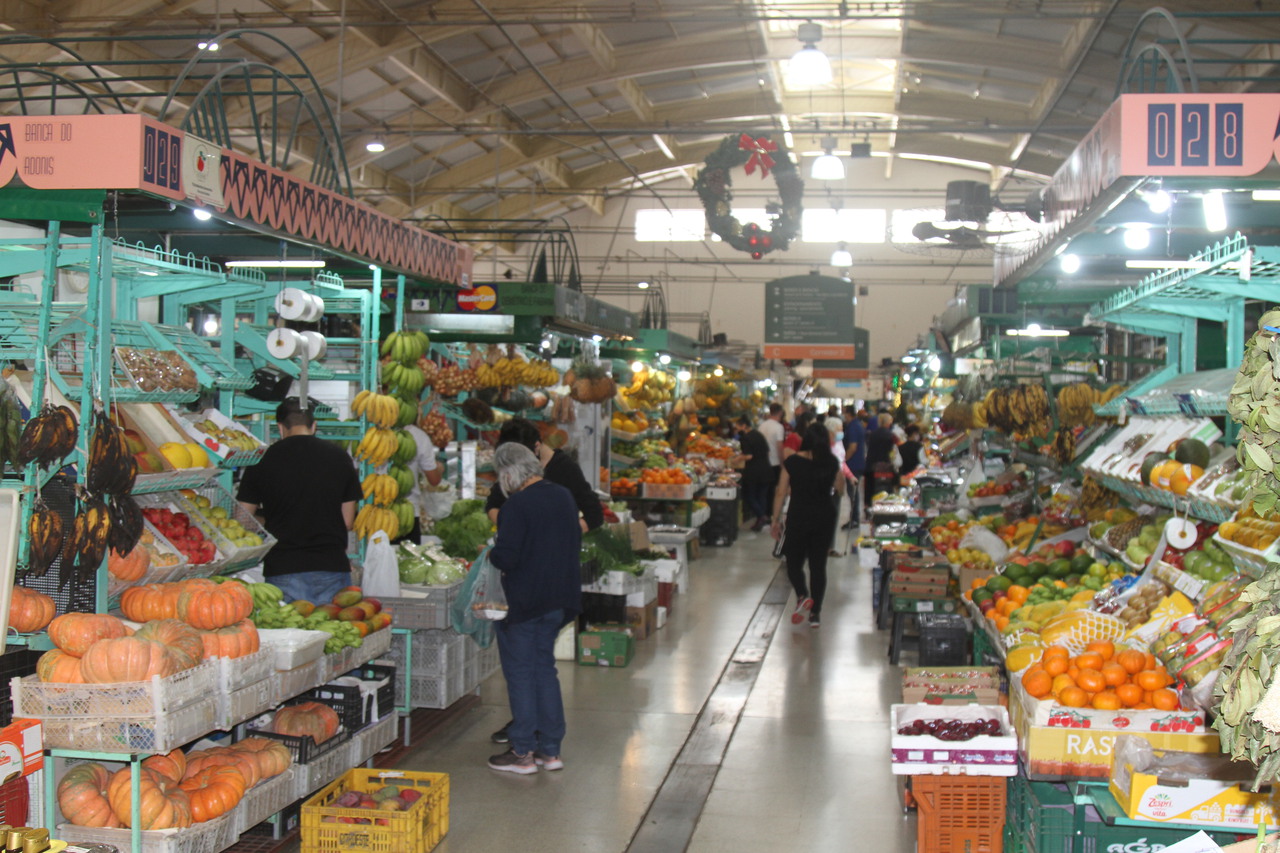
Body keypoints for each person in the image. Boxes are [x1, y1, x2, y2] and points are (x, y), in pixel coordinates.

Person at [488, 417, 602, 747]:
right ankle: (550, 748)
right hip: (560, 597)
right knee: (544, 669)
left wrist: (496, 550)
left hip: (526, 601)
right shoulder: (562, 497)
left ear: (509, 474)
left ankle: (522, 749)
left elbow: (505, 557)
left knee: (521, 674)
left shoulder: (519, 504)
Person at [236, 398, 362, 605]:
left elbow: (242, 518)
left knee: (290, 633)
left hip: (283, 567)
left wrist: (268, 519)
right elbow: (347, 521)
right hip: (330, 565)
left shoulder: (261, 460)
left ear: (280, 427)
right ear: (314, 426)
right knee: (333, 634)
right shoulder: (340, 458)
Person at [770, 423, 842, 629]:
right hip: (824, 517)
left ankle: (802, 595)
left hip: (799, 516)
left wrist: (775, 520)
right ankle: (815, 614)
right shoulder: (831, 462)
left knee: (793, 563)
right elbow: (840, 489)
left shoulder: (792, 462)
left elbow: (781, 492)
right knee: (818, 566)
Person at [484, 418, 603, 532]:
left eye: (520, 458)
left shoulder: (565, 469)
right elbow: (493, 504)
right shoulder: (512, 465)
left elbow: (594, 516)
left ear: (536, 447)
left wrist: (555, 535)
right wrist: (511, 529)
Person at [392, 418, 443, 544]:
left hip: (372, 511)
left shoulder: (368, 433)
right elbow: (434, 479)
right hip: (408, 511)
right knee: (407, 560)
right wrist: (439, 468)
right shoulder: (417, 436)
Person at [735, 416, 772, 531]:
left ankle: (761, 516)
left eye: (738, 427)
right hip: (766, 469)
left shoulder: (745, 438)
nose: (736, 430)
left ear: (744, 426)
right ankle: (761, 520)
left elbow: (749, 456)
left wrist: (738, 458)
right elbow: (767, 450)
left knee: (749, 496)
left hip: (754, 472)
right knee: (761, 496)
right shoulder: (758, 434)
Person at [865, 412, 900, 506]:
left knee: (873, 490)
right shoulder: (891, 435)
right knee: (885, 490)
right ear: (888, 423)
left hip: (872, 465)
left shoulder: (873, 434)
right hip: (886, 466)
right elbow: (897, 447)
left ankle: (871, 507)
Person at [758, 403, 786, 515]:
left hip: (763, 462)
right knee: (773, 490)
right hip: (774, 463)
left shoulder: (761, 426)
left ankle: (763, 513)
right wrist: (782, 462)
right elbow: (779, 446)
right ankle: (770, 513)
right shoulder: (779, 427)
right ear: (780, 413)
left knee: (763, 490)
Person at [841, 405, 865, 530]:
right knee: (852, 493)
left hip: (853, 465)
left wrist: (843, 461)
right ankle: (854, 517)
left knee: (853, 493)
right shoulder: (856, 425)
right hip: (856, 464)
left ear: (847, 413)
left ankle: (854, 519)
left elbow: (852, 447)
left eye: (844, 412)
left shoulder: (853, 427)